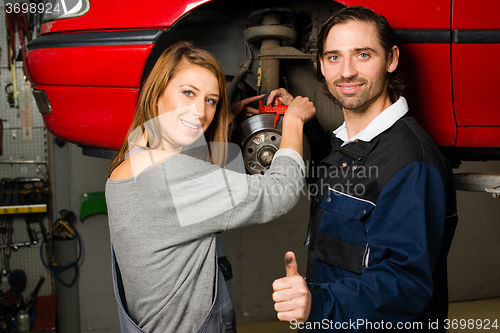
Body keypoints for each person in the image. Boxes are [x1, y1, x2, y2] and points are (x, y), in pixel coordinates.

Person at [105, 41, 315, 333]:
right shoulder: (174, 177)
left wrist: (225, 122)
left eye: (211, 100)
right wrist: (294, 121)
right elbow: (278, 193)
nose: (200, 112)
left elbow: (193, 181)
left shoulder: (133, 158)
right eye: (188, 92)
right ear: (157, 95)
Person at [270, 6, 458, 332]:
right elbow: (341, 170)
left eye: (363, 55)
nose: (346, 72)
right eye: (333, 57)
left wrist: (319, 304)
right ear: (321, 65)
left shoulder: (412, 164)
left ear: (392, 59)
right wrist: (302, 124)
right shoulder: (351, 145)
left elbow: (406, 283)